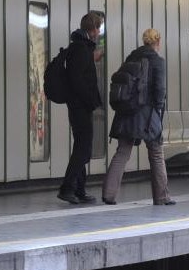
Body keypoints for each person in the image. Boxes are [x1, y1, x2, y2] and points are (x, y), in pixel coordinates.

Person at [101, 29, 174, 206]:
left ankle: (109, 194)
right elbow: (160, 91)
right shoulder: (157, 61)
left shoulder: (131, 58)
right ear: (158, 42)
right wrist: (158, 111)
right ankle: (161, 197)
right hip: (147, 114)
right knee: (156, 152)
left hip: (126, 112)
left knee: (122, 151)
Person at [58, 12, 104, 204]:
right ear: (92, 29)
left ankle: (79, 189)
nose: (99, 32)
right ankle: (67, 188)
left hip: (79, 105)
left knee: (81, 147)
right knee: (83, 149)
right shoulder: (80, 49)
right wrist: (90, 100)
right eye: (98, 28)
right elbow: (76, 80)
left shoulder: (82, 48)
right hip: (80, 106)